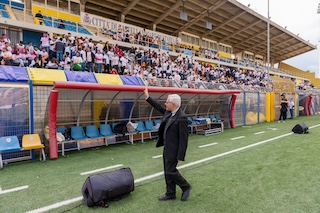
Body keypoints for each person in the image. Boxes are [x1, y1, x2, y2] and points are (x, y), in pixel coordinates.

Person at [144, 87, 191, 201]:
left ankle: (185, 186)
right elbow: (158, 107)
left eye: (167, 102)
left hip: (174, 150)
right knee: (167, 172)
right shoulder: (169, 113)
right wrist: (147, 97)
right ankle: (170, 194)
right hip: (167, 148)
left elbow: (184, 139)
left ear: (173, 104)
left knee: (171, 171)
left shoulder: (182, 117)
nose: (165, 104)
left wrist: (180, 155)